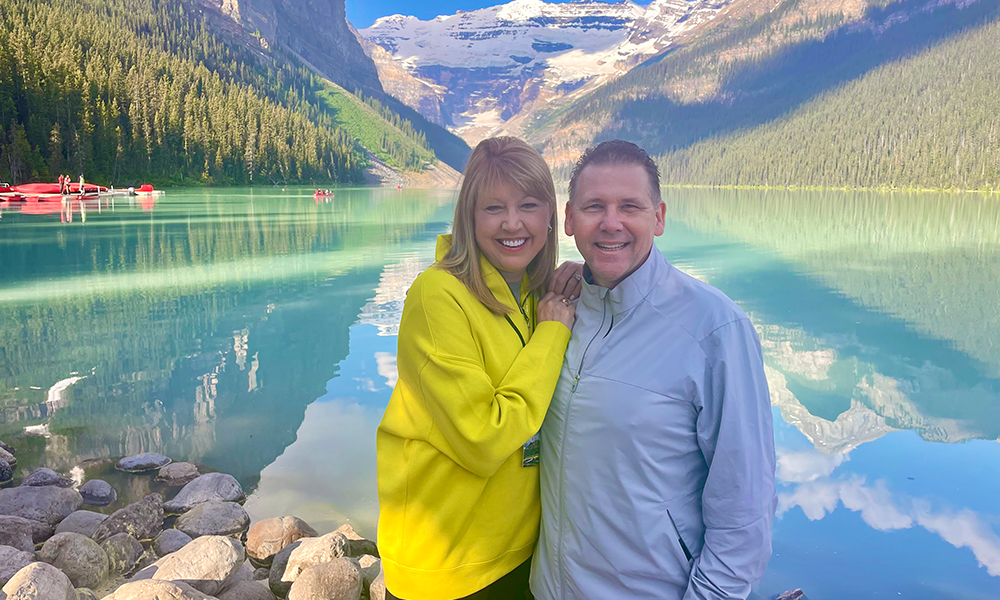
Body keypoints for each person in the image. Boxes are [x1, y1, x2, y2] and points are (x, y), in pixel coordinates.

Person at [530, 140, 776, 600]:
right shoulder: (557, 311)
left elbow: (744, 510)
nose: (611, 223)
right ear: (568, 219)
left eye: (630, 206)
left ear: (659, 217)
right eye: (593, 206)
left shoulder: (714, 328)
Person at [377, 136, 580, 600]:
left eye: (529, 205)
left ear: (551, 215)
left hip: (519, 548)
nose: (513, 223)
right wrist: (554, 332)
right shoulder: (437, 295)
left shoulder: (533, 293)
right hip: (448, 565)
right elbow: (483, 438)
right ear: (469, 217)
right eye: (493, 208)